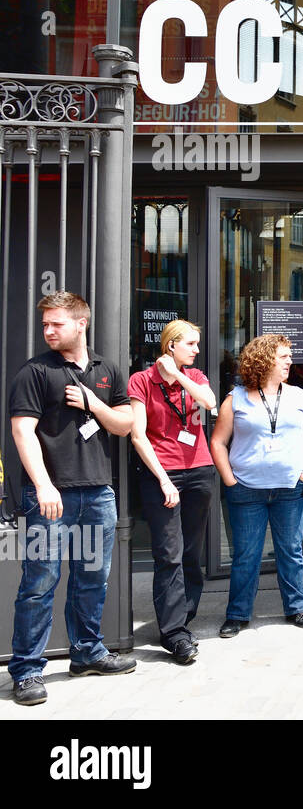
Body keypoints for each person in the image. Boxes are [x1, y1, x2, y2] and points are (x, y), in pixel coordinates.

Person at [8, 291, 135, 706]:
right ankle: (27, 671)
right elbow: (22, 432)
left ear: (82, 323)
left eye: (56, 324)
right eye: (44, 324)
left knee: (92, 578)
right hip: (51, 496)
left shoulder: (106, 369)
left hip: (98, 492)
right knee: (40, 582)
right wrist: (43, 485)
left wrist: (93, 402)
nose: (48, 331)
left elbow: (124, 425)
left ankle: (87, 653)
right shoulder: (34, 372)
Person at [210, 334, 303, 638]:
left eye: (289, 356)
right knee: (246, 554)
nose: (290, 361)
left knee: (291, 550)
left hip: (290, 488)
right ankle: (237, 613)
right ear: (264, 359)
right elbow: (218, 442)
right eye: (283, 356)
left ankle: (297, 607)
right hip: (246, 489)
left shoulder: (299, 396)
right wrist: (230, 481)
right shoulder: (237, 398)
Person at [128, 318, 217, 665]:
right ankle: (174, 633)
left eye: (196, 344)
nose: (196, 349)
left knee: (192, 553)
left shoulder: (193, 377)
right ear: (171, 346)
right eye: (191, 344)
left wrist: (178, 374)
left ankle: (181, 618)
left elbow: (209, 402)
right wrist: (164, 479)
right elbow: (138, 436)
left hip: (200, 470)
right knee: (169, 553)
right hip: (161, 474)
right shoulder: (142, 381)